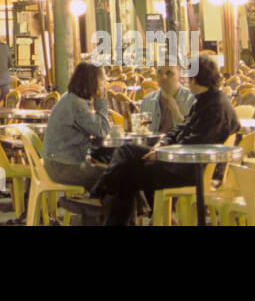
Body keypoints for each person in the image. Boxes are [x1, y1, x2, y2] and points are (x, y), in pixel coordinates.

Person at [90, 54, 240, 225]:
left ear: (194, 80)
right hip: (183, 163)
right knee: (128, 151)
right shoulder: (208, 101)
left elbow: (195, 145)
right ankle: (104, 192)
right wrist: (162, 145)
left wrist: (161, 152)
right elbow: (180, 129)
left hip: (193, 171)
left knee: (126, 173)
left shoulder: (215, 109)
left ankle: (100, 192)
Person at [41, 62, 112, 188]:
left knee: (110, 170)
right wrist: (101, 100)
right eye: (103, 81)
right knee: (114, 174)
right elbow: (102, 130)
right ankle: (93, 206)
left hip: (55, 163)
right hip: (62, 167)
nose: (104, 86)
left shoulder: (69, 98)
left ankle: (96, 204)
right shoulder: (77, 105)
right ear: (93, 82)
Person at [138, 65, 195, 133]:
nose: (163, 77)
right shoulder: (147, 101)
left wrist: (178, 116)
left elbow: (195, 134)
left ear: (179, 75)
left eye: (169, 73)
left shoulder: (192, 100)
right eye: (159, 72)